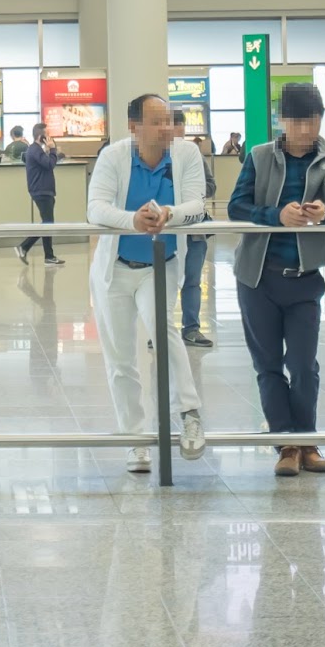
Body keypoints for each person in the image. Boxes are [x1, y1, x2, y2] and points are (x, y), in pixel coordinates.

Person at [226, 83, 325, 477]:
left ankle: (307, 439)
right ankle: (285, 444)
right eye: (298, 120)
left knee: (304, 365)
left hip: (305, 278)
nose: (306, 128)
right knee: (268, 365)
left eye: (313, 119)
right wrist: (275, 216)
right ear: (282, 121)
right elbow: (236, 206)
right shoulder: (258, 156)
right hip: (258, 278)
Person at [86, 93, 208, 474]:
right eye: (156, 121)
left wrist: (168, 213)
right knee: (121, 359)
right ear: (134, 126)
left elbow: (198, 205)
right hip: (115, 269)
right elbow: (96, 209)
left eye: (168, 120)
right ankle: (135, 440)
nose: (166, 127)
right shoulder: (114, 156)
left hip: (161, 261)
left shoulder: (186, 154)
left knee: (163, 331)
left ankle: (189, 412)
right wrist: (132, 221)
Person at [171, 111, 216, 348]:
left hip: (194, 229)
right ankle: (160, 330)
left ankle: (191, 328)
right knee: (163, 281)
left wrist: (191, 191)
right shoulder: (159, 156)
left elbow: (211, 186)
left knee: (192, 280)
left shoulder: (195, 155)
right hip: (167, 229)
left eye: (180, 128)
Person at [17, 122, 64, 266]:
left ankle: (47, 255)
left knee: (47, 223)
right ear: (40, 136)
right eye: (47, 134)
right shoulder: (35, 150)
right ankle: (26, 247)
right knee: (47, 223)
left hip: (43, 190)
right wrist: (53, 150)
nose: (49, 137)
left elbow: (47, 163)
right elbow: (49, 164)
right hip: (41, 190)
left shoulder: (37, 150)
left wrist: (51, 152)